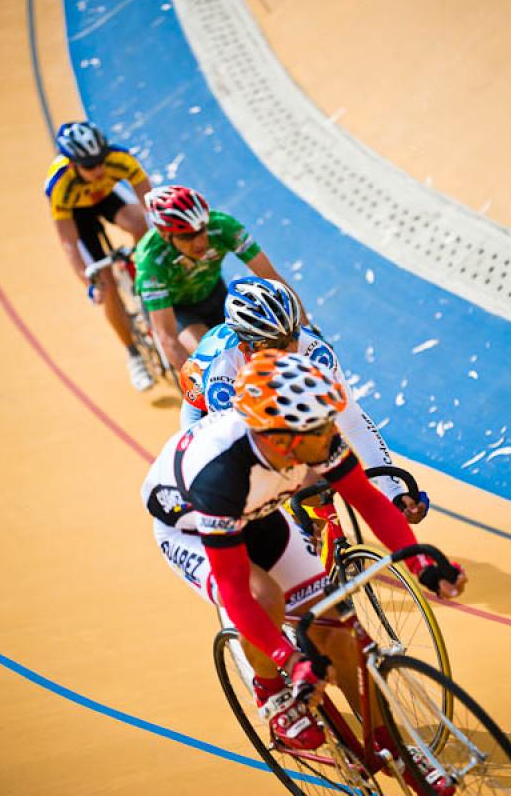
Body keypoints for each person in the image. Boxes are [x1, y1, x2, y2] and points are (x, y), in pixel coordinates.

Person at [142, 349, 466, 792]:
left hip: (259, 512)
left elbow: (368, 501)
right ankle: (271, 692)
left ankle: (392, 746)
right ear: (283, 439)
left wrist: (420, 561)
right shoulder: (219, 477)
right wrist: (288, 659)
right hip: (191, 527)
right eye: (321, 428)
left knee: (338, 629)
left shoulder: (312, 436)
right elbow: (236, 591)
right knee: (263, 599)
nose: (333, 435)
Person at [180, 276, 428, 522]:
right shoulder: (223, 374)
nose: (291, 351)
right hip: (209, 412)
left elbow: (351, 420)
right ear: (248, 348)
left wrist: (393, 491)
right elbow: (242, 455)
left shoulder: (314, 351)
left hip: (273, 399)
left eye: (293, 335)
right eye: (275, 344)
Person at [133, 185, 309, 373]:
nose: (200, 242)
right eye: (188, 237)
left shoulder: (223, 227)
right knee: (215, 361)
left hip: (213, 293)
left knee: (262, 343)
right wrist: (200, 391)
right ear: (164, 234)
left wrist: (307, 333)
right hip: (176, 310)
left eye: (202, 230)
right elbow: (167, 337)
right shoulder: (151, 260)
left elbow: (272, 278)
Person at [45, 121, 153, 391]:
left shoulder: (119, 159)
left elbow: (151, 203)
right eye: (90, 166)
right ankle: (134, 355)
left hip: (108, 198)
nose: (99, 169)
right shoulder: (60, 185)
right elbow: (69, 243)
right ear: (72, 164)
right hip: (78, 216)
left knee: (141, 225)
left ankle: (141, 275)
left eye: (101, 161)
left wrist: (153, 249)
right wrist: (89, 282)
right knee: (105, 284)